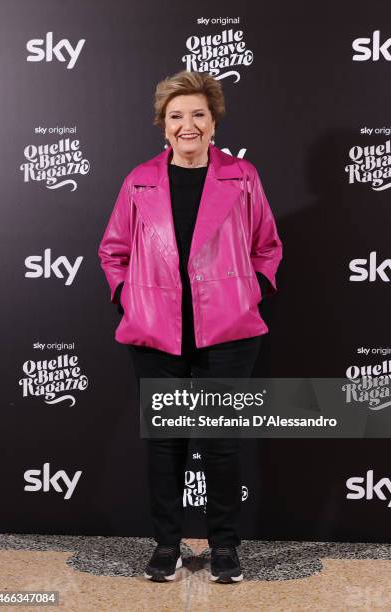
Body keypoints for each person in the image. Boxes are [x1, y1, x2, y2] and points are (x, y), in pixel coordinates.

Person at [98, 70, 283, 583]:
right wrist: (127, 298)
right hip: (156, 333)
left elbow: (267, 245)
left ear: (213, 121)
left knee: (222, 442)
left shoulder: (242, 177)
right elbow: (113, 250)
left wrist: (250, 290)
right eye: (177, 115)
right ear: (163, 124)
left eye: (198, 114)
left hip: (229, 333)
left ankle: (225, 548)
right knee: (166, 443)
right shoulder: (138, 180)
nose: (188, 125)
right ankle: (166, 545)